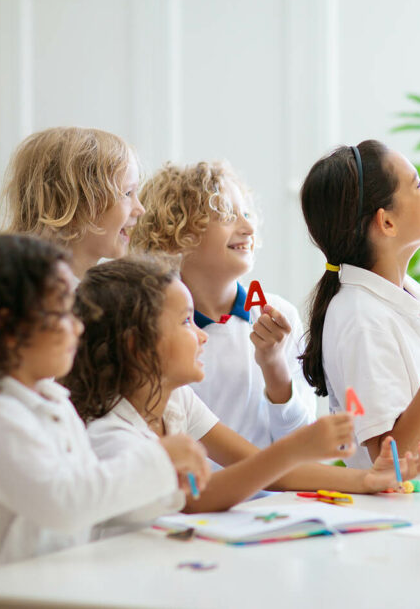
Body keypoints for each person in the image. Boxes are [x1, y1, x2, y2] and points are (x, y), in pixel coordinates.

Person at [0, 234, 210, 575]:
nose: (77, 326)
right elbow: (65, 503)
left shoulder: (54, 404)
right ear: (9, 328)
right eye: (61, 314)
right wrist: (159, 458)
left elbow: (93, 500)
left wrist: (167, 488)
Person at [64, 254, 420, 522]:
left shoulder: (176, 402)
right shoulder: (110, 435)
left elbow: (261, 468)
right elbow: (195, 498)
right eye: (186, 322)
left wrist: (366, 479)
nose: (202, 335)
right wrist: (295, 448)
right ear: (135, 345)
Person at [300, 140, 420, 476]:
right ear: (386, 223)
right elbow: (390, 459)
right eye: (417, 184)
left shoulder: (399, 302)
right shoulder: (360, 317)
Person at [132, 161, 316, 448]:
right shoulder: (148, 327)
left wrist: (274, 366)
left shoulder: (280, 317)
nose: (248, 226)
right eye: (228, 215)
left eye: (246, 213)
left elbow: (303, 448)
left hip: (275, 494)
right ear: (178, 233)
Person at [0, 126, 145, 281]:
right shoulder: (39, 300)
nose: (141, 209)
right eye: (128, 193)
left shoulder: (101, 293)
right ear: (75, 207)